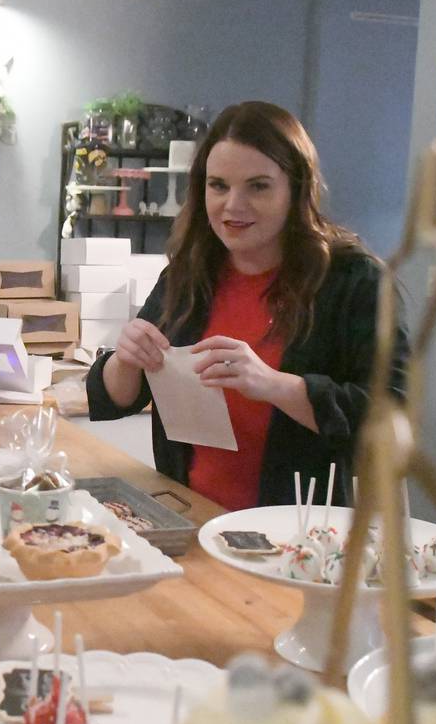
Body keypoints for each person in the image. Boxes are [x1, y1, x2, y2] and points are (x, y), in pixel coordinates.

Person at [86, 101, 409, 511]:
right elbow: (117, 397)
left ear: (296, 189)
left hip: (295, 537)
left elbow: (390, 416)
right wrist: (126, 359)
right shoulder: (187, 276)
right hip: (191, 519)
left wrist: (274, 385)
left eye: (258, 186)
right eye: (218, 185)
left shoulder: (353, 283)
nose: (233, 206)